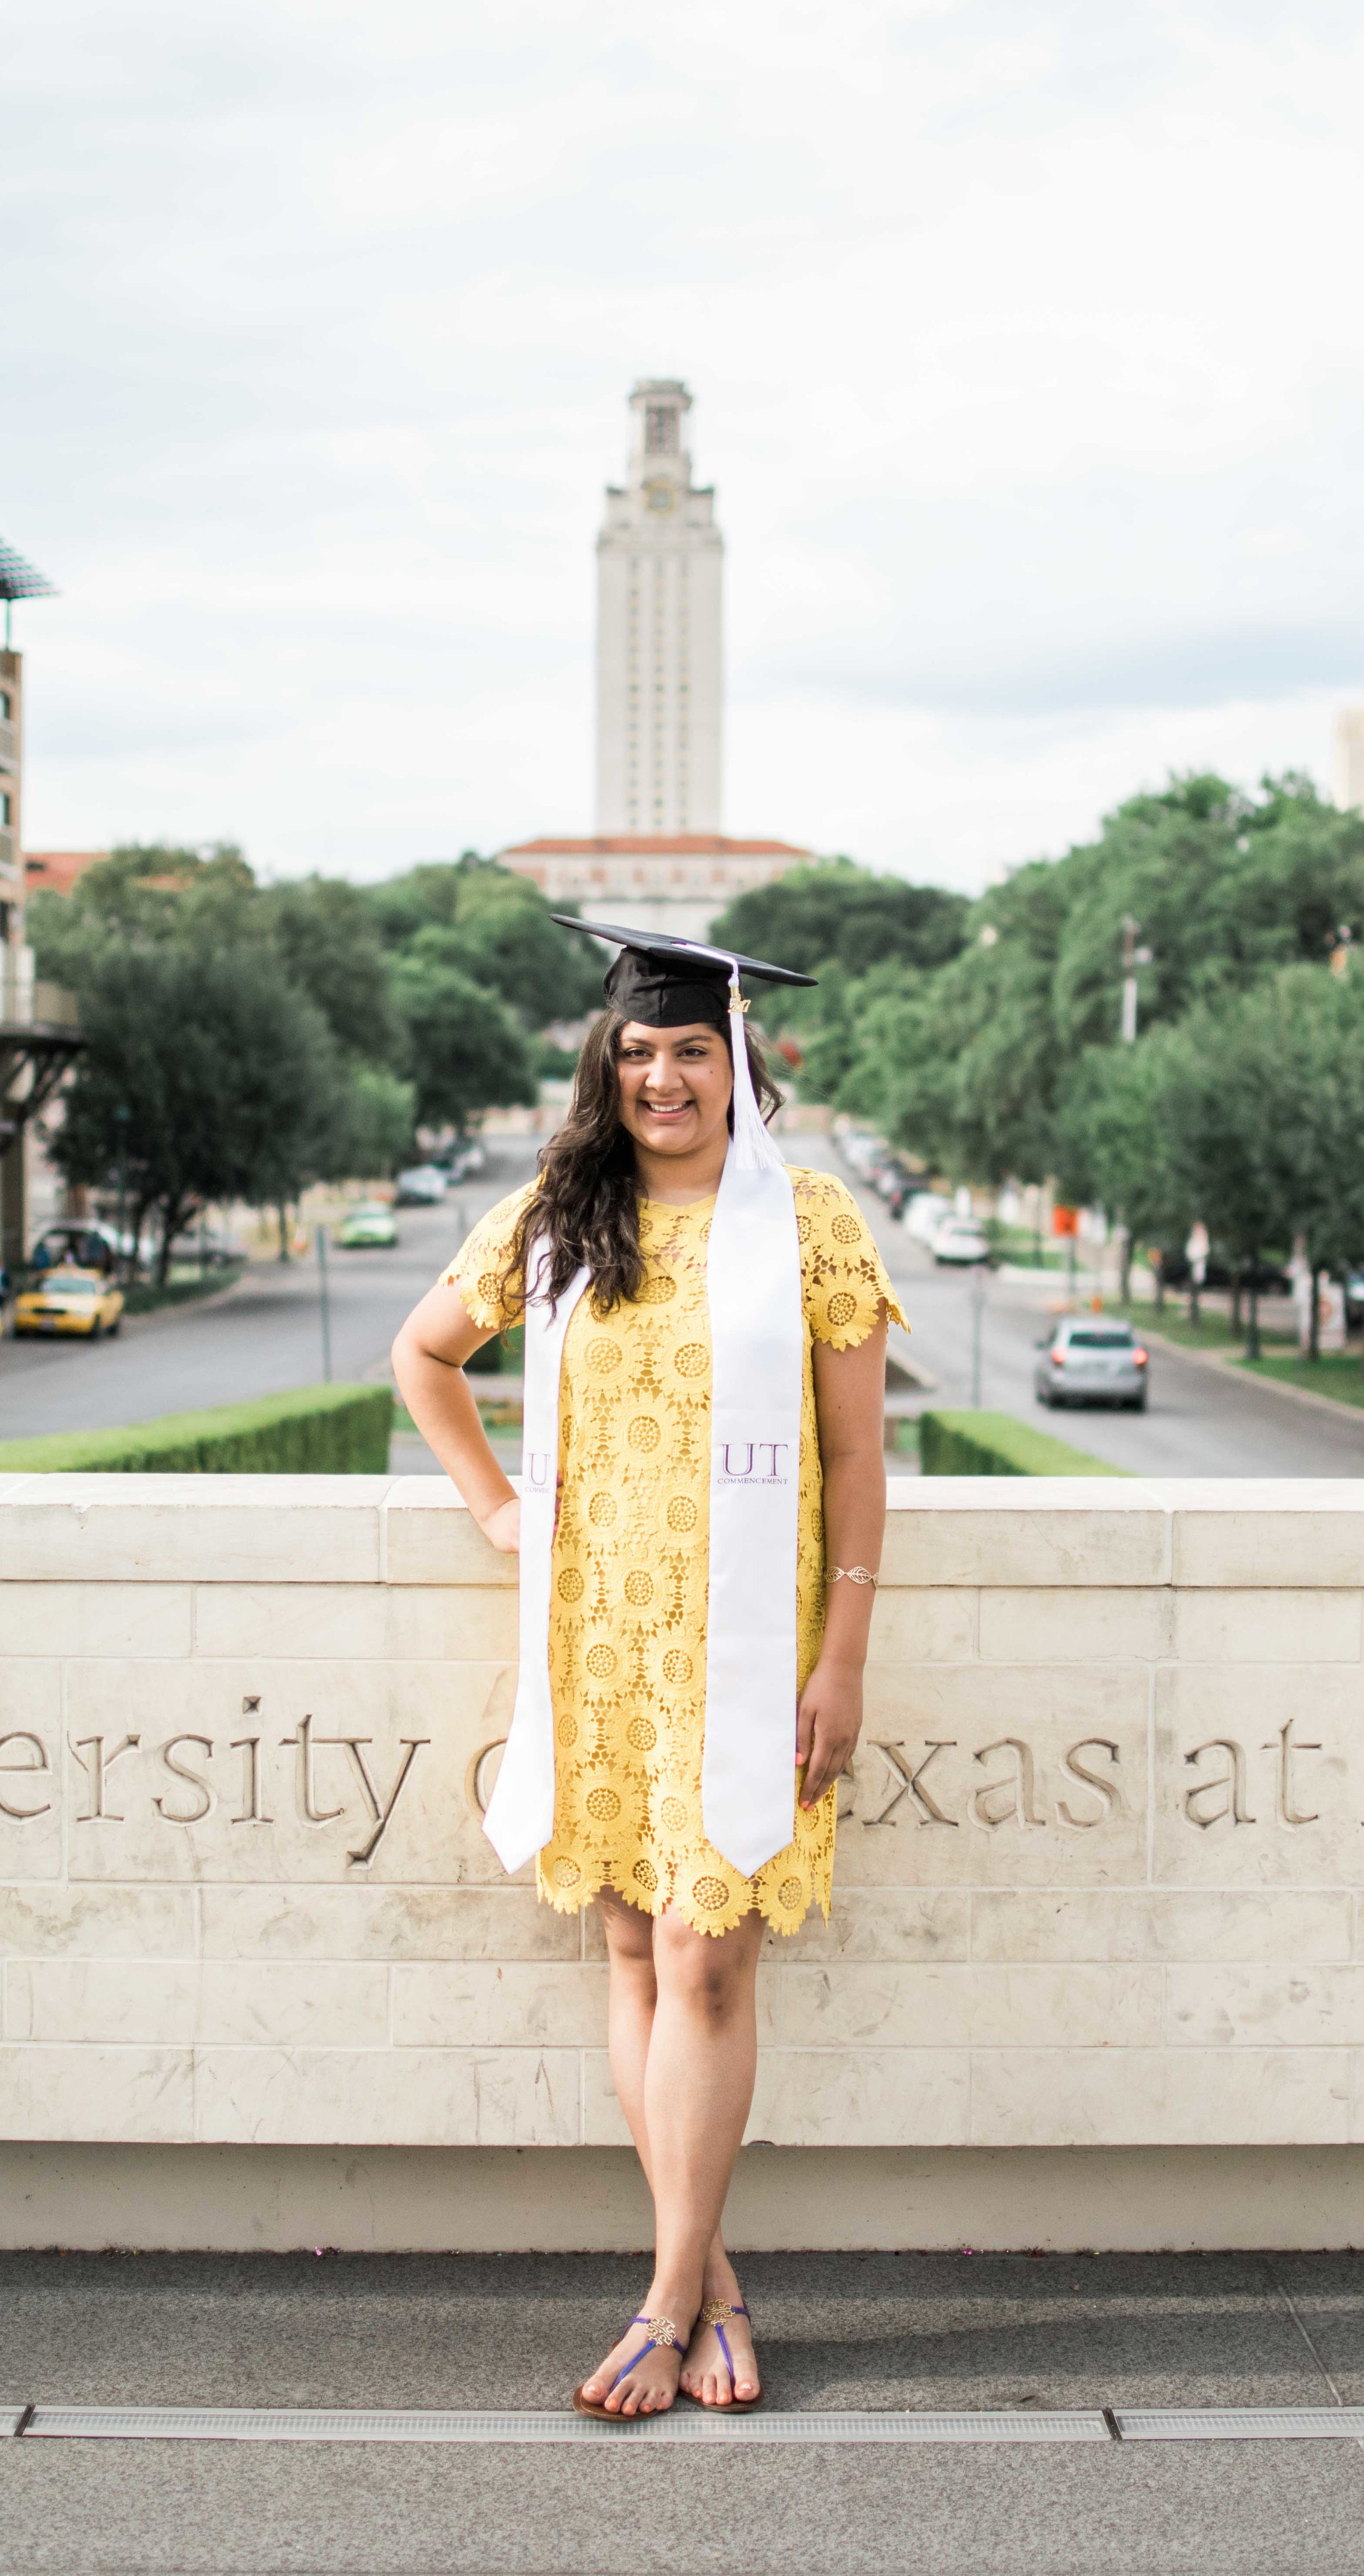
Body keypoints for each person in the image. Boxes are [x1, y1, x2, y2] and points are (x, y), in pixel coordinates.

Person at [392, 921, 903, 2420]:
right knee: (631, 1955)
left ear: (734, 1065)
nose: (662, 1078)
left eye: (690, 1050)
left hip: (747, 1659)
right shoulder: (554, 1218)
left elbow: (860, 1458)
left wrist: (844, 1656)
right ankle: (718, 2289)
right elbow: (425, 1358)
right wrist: (495, 1506)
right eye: (637, 1051)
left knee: (707, 1959)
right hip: (601, 1650)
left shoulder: (808, 1224)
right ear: (601, 1067)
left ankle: (667, 2299)